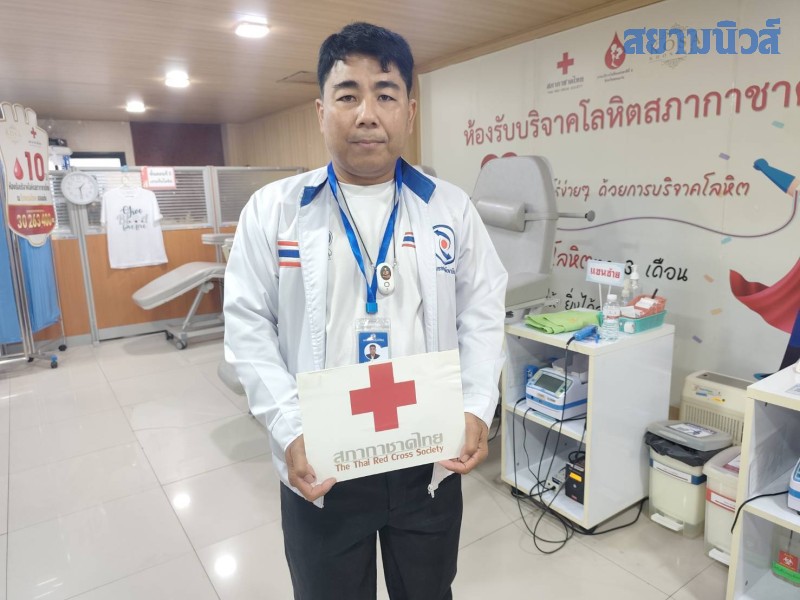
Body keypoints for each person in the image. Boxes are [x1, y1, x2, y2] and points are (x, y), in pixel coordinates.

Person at [224, 21, 507, 600]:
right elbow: (248, 326)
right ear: (321, 111)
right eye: (348, 95)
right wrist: (289, 428)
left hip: (427, 456)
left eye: (385, 95)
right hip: (320, 459)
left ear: (410, 111)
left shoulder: (450, 209)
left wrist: (477, 405)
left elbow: (482, 311)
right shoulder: (274, 210)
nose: (367, 114)